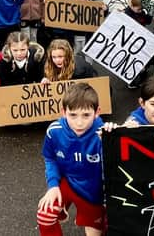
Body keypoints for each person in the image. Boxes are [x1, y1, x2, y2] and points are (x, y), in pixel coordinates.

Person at [36, 83, 111, 236]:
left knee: (96, 232)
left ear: (97, 112)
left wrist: (114, 137)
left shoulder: (104, 135)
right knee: (45, 213)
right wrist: (52, 186)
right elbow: (50, 158)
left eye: (86, 115)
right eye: (73, 115)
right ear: (64, 112)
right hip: (67, 183)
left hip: (93, 192)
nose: (79, 122)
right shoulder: (54, 131)